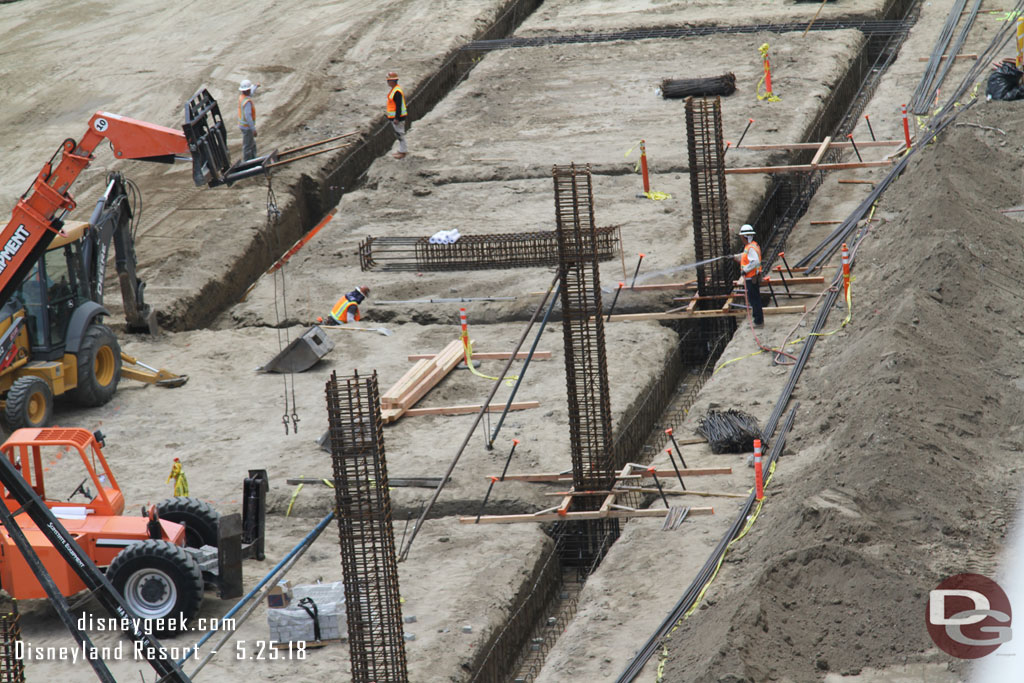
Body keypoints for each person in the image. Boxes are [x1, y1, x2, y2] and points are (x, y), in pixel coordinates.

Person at [733, 224, 764, 328]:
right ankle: (757, 320)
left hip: (751, 278)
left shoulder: (750, 248)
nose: (741, 238)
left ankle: (758, 322)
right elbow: (748, 257)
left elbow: (754, 261)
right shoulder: (752, 245)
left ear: (745, 236)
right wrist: (737, 256)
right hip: (752, 277)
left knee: (754, 300)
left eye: (741, 236)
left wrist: (745, 270)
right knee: (755, 299)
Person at [386, 71, 408, 159]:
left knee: (400, 134)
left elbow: (398, 106)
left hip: (398, 117)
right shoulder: (394, 90)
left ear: (393, 81)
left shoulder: (397, 92)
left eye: (388, 81)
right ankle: (401, 150)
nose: (387, 82)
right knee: (398, 134)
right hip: (394, 117)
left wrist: (397, 118)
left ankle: (403, 152)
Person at [238, 79, 259, 161]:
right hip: (247, 127)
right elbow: (248, 116)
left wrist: (256, 86)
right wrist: (253, 129)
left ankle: (254, 159)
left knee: (252, 143)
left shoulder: (242, 97)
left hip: (243, 126)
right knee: (247, 145)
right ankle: (247, 162)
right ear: (247, 90)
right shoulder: (247, 102)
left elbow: (251, 93)